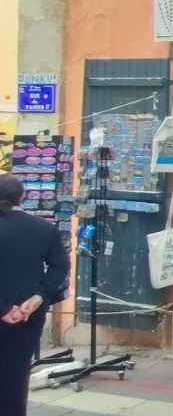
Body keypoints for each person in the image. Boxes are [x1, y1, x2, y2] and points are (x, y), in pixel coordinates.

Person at [0, 174, 70, 414]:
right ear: (22, 196)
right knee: (16, 376)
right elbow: (60, 265)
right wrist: (39, 296)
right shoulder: (43, 228)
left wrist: (3, 308)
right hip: (27, 313)